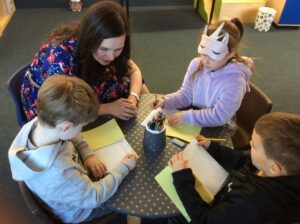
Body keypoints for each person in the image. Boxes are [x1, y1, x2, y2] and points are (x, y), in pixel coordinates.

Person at [9, 75, 138, 223]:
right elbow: (95, 197)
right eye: (81, 126)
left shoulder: (41, 124)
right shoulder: (59, 173)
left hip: (74, 188)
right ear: (66, 126)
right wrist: (123, 168)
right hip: (82, 211)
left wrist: (87, 154)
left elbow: (70, 136)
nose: (82, 129)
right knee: (132, 190)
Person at [21, 0, 149, 122]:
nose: (111, 57)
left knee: (135, 87)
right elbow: (66, 109)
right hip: (56, 104)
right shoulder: (59, 56)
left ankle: (150, 116)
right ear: (91, 40)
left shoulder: (105, 45)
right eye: (104, 49)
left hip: (85, 81)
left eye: (118, 49)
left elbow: (134, 71)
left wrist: (133, 97)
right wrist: (109, 108)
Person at [168, 112, 300, 224]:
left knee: (172, 216)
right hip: (228, 201)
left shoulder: (249, 204)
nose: (250, 144)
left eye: (254, 145)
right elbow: (243, 161)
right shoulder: (272, 168)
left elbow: (205, 220)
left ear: (274, 168)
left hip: (217, 212)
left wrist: (182, 177)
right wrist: (212, 148)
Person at [150, 18, 253, 129]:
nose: (205, 61)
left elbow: (219, 116)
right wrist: (166, 101)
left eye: (213, 56)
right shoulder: (196, 64)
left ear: (231, 54)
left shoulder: (235, 81)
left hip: (218, 126)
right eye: (203, 53)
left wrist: (187, 117)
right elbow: (186, 95)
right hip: (195, 117)